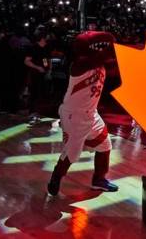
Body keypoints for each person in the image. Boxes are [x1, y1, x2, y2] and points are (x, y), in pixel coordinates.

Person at [47, 30, 119, 196]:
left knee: (105, 144)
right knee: (72, 153)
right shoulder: (79, 64)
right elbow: (108, 52)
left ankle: (99, 180)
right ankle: (57, 176)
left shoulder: (100, 63)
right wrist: (110, 41)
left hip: (91, 114)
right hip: (74, 115)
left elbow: (112, 58)